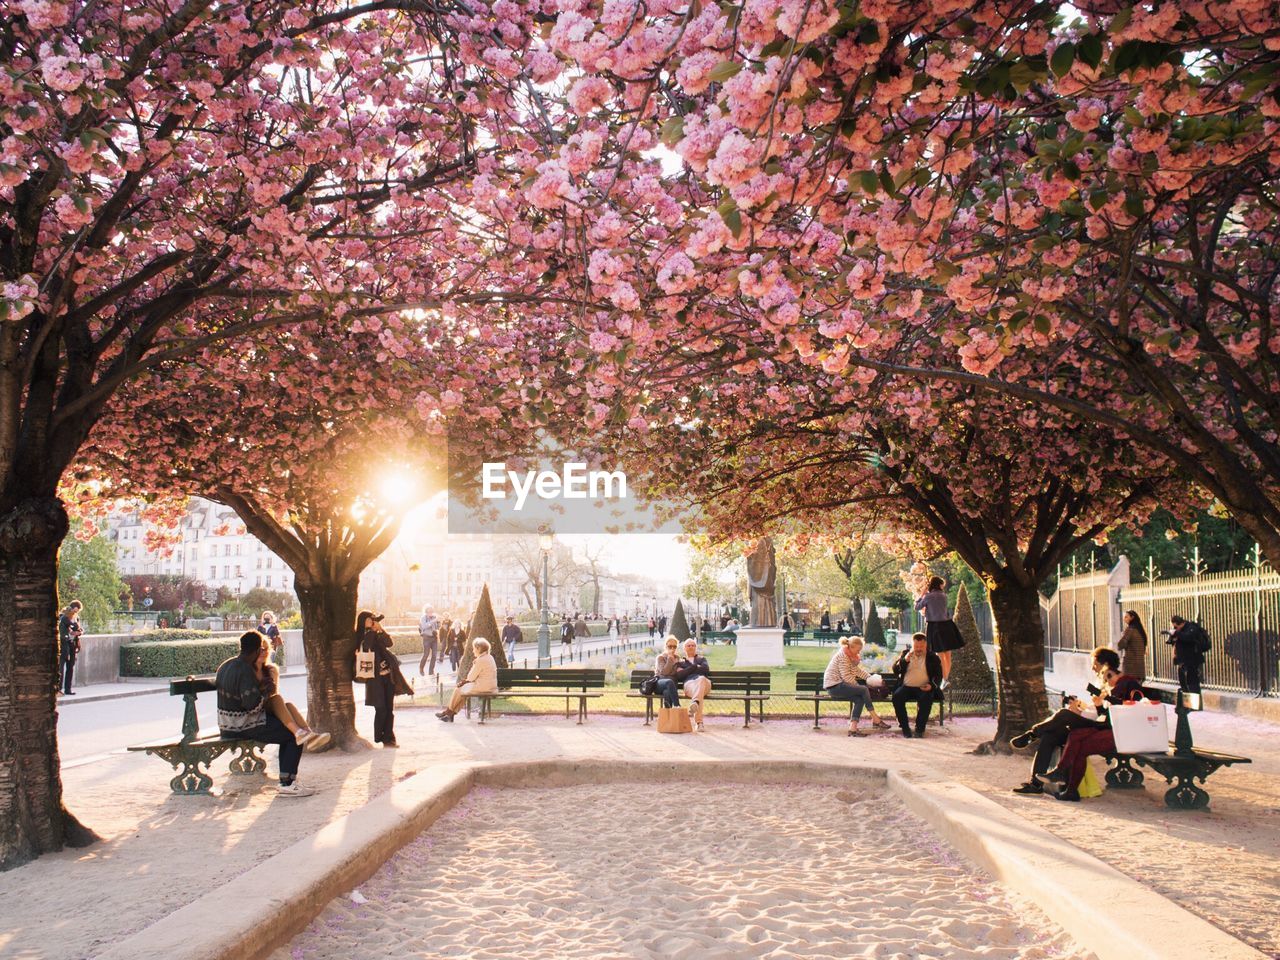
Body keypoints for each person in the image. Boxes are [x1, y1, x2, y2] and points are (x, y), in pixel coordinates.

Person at [1009, 645, 1143, 795]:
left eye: (1095, 664)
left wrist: (1097, 705)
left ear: (1105, 664)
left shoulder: (1125, 683)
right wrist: (1080, 709)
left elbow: (1122, 711)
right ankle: (1035, 784)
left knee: (1064, 714)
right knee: (1050, 736)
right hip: (1097, 722)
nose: (1093, 668)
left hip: (1107, 728)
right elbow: (1098, 711)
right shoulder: (1104, 683)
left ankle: (1032, 734)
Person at [216, 632, 311, 795]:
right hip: (244, 725)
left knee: (290, 726)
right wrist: (267, 695)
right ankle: (287, 783)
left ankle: (287, 780)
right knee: (291, 735)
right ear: (255, 650)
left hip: (226, 724)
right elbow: (252, 707)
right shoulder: (245, 670)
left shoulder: (225, 665)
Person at [257, 643, 330, 751]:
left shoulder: (271, 669)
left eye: (266, 649)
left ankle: (310, 735)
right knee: (277, 698)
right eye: (261, 649)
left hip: (268, 705)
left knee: (288, 704)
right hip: (257, 709)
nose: (264, 652)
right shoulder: (248, 670)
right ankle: (299, 732)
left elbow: (273, 693)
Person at [357, 611, 411, 747]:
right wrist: (372, 631)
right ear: (363, 621)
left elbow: (389, 643)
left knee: (389, 709)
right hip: (375, 680)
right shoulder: (362, 636)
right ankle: (379, 737)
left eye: (373, 620)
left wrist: (380, 629)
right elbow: (367, 646)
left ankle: (389, 738)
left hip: (388, 676)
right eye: (370, 620)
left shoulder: (377, 633)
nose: (372, 622)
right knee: (380, 709)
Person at [823, 635, 890, 736]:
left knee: (860, 699)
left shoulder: (850, 656)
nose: (859, 652)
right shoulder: (843, 656)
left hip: (840, 686)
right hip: (834, 686)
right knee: (863, 690)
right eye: (858, 650)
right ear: (851, 647)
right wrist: (859, 687)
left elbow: (857, 671)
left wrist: (869, 678)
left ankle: (853, 729)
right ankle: (875, 718)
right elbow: (846, 677)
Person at [890, 633, 943, 738]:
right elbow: (895, 670)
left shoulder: (932, 657)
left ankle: (919, 729)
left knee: (927, 699)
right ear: (912, 645)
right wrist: (904, 661)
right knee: (897, 696)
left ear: (926, 645)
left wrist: (932, 686)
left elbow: (939, 676)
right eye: (916, 646)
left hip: (923, 687)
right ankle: (905, 728)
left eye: (921, 647)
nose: (918, 649)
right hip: (906, 687)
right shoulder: (906, 654)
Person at [914, 576, 965, 683]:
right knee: (948, 654)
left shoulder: (928, 596)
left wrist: (922, 594)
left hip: (934, 626)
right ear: (938, 585)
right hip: (947, 625)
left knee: (940, 655)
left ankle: (944, 679)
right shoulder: (943, 596)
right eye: (942, 584)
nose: (943, 586)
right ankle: (946, 679)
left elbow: (917, 607)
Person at [437, 637, 498, 721]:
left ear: (478, 648)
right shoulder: (489, 657)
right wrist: (465, 682)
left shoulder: (480, 660)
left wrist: (474, 665)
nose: (473, 651)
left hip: (483, 687)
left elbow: (471, 677)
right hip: (491, 686)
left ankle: (448, 712)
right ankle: (450, 714)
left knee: (458, 690)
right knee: (463, 693)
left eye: (474, 648)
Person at [675, 638, 712, 730]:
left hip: (705, 684)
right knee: (699, 692)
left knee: (702, 679)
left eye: (693, 645)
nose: (691, 647)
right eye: (688, 645)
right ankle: (699, 722)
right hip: (689, 685)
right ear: (684, 648)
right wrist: (695, 667)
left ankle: (695, 702)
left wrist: (687, 670)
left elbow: (705, 670)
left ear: (696, 647)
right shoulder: (680, 663)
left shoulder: (702, 659)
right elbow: (679, 675)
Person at [1166, 615, 1206, 693]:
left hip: (1192, 661)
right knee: (1183, 683)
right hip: (1182, 661)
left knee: (1192, 684)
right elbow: (1175, 642)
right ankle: (1186, 701)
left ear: (1180, 624)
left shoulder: (1191, 627)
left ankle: (1195, 702)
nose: (1175, 628)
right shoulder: (1179, 630)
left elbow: (1188, 637)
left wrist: (1177, 633)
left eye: (1175, 626)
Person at [57, 600, 83, 695]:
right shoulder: (64, 617)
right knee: (61, 667)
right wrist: (74, 631)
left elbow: (79, 629)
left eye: (76, 611)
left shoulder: (76, 618)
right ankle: (59, 688)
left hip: (72, 643)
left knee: (70, 667)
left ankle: (68, 689)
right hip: (65, 644)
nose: (75, 613)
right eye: (74, 610)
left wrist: (79, 632)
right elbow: (71, 628)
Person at [1116, 610, 1148, 682]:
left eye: (1126, 617)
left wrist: (1122, 636)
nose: (1124, 619)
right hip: (1140, 669)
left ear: (1132, 617)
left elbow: (1120, 645)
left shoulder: (1130, 630)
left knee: (1129, 690)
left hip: (1130, 668)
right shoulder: (1140, 631)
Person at [654, 635, 682, 709]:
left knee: (667, 692)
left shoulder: (677, 658)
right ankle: (677, 706)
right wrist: (670, 659)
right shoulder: (660, 658)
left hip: (672, 687)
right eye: (670, 646)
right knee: (669, 681)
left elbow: (677, 673)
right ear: (666, 646)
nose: (672, 648)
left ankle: (668, 714)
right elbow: (664, 672)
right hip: (659, 684)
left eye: (674, 646)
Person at [418, 605, 441, 676]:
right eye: (429, 612)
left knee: (434, 655)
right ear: (426, 612)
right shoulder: (423, 618)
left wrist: (438, 623)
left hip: (434, 638)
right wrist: (434, 621)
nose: (430, 613)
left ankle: (431, 671)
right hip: (426, 638)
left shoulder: (434, 617)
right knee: (426, 654)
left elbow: (437, 627)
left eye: (431, 612)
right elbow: (424, 626)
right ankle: (421, 668)